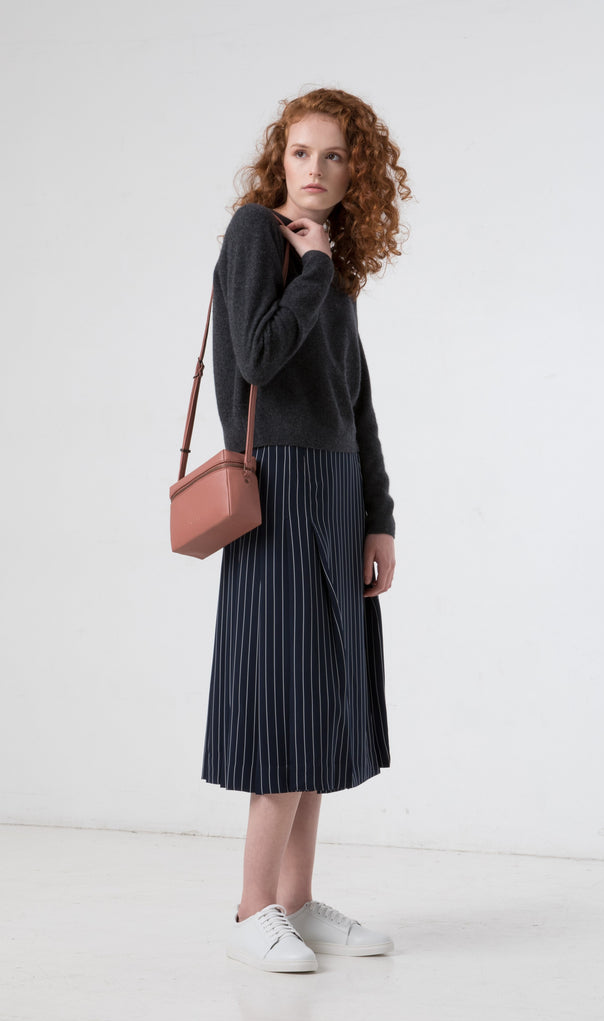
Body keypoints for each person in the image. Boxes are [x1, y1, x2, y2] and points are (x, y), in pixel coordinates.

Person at [202, 87, 411, 973]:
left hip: (334, 490)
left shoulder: (333, 264)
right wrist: (315, 268)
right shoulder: (260, 234)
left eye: (333, 155)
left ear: (357, 171)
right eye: (299, 152)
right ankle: (254, 908)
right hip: (278, 486)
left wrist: (378, 517)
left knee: (323, 702)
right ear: (278, 159)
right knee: (284, 701)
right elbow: (256, 355)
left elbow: (355, 404)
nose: (314, 169)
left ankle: (294, 901)